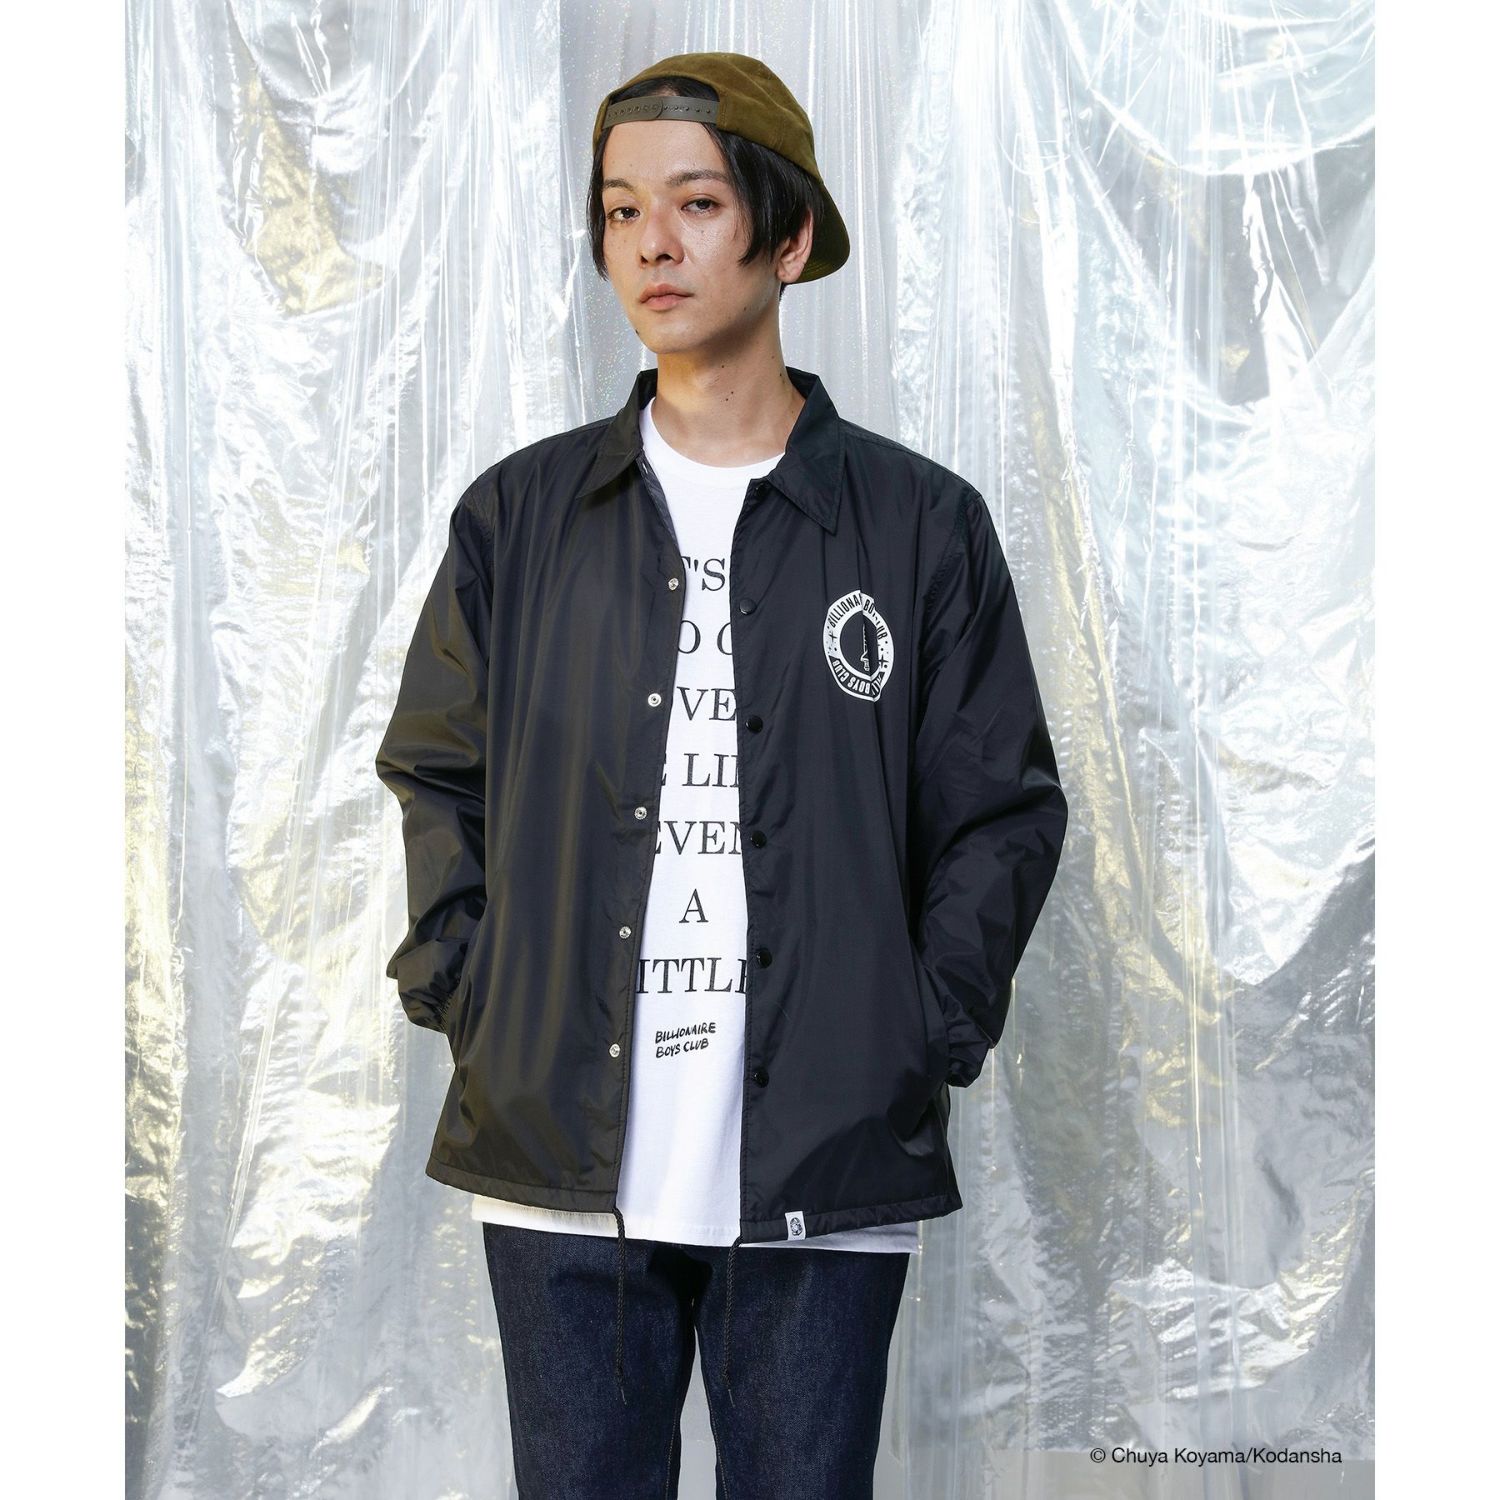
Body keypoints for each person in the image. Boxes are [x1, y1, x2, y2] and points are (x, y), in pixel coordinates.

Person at [375, 50, 1069, 1500]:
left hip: (826, 1153)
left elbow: (1000, 810)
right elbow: (437, 771)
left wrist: (917, 1030)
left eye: (696, 203)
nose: (652, 244)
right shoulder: (521, 517)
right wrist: (474, 999)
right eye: (622, 209)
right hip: (563, 1160)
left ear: (789, 234)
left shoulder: (920, 527)